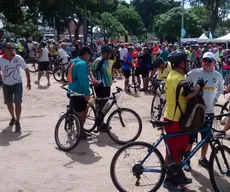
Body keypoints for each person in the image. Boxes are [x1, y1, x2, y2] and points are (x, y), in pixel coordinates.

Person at [163, 50, 204, 190]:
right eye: (186, 61)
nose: (187, 64)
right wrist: (199, 87)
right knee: (178, 153)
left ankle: (171, 177)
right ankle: (171, 180)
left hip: (169, 115)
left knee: (170, 151)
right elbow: (188, 94)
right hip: (177, 120)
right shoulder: (180, 79)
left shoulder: (171, 75)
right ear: (181, 63)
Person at [184, 52, 224, 171]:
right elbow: (184, 82)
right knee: (190, 137)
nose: (207, 63)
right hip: (194, 111)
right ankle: (187, 159)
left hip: (209, 112)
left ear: (214, 62)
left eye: (209, 60)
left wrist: (216, 98)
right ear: (201, 61)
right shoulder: (194, 72)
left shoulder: (217, 75)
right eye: (205, 60)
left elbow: (221, 88)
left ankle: (202, 158)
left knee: (206, 138)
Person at [0, 42, 31, 132]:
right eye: (9, 48)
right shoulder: (1, 59)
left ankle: (18, 121)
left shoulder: (18, 58)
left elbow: (26, 69)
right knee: (9, 103)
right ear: (4, 49)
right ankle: (13, 117)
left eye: (12, 48)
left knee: (18, 103)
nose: (11, 50)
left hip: (17, 83)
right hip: (6, 85)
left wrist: (29, 82)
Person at [68, 46, 93, 140]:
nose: (89, 57)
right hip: (79, 91)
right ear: (86, 54)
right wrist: (87, 92)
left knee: (77, 110)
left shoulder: (74, 61)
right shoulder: (82, 64)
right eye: (89, 55)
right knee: (82, 113)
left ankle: (77, 128)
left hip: (71, 89)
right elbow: (83, 79)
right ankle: (80, 133)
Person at [91, 45, 113, 132]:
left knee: (105, 105)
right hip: (100, 86)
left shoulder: (107, 62)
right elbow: (92, 70)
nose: (110, 55)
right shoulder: (98, 60)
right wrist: (94, 80)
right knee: (100, 105)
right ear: (104, 53)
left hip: (107, 85)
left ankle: (101, 122)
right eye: (108, 53)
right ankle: (99, 124)